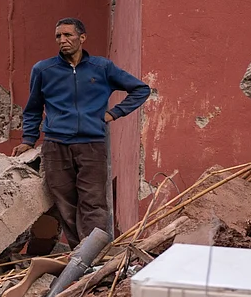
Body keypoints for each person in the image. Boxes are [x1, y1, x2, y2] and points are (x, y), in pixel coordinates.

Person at [13, 18, 150, 248]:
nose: (62, 40)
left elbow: (140, 89)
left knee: (94, 202)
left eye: (68, 35)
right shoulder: (44, 70)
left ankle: (93, 253)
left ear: (82, 38)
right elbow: (33, 108)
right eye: (58, 36)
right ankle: (80, 255)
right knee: (65, 202)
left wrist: (114, 113)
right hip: (56, 145)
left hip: (92, 144)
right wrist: (28, 139)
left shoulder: (102, 68)